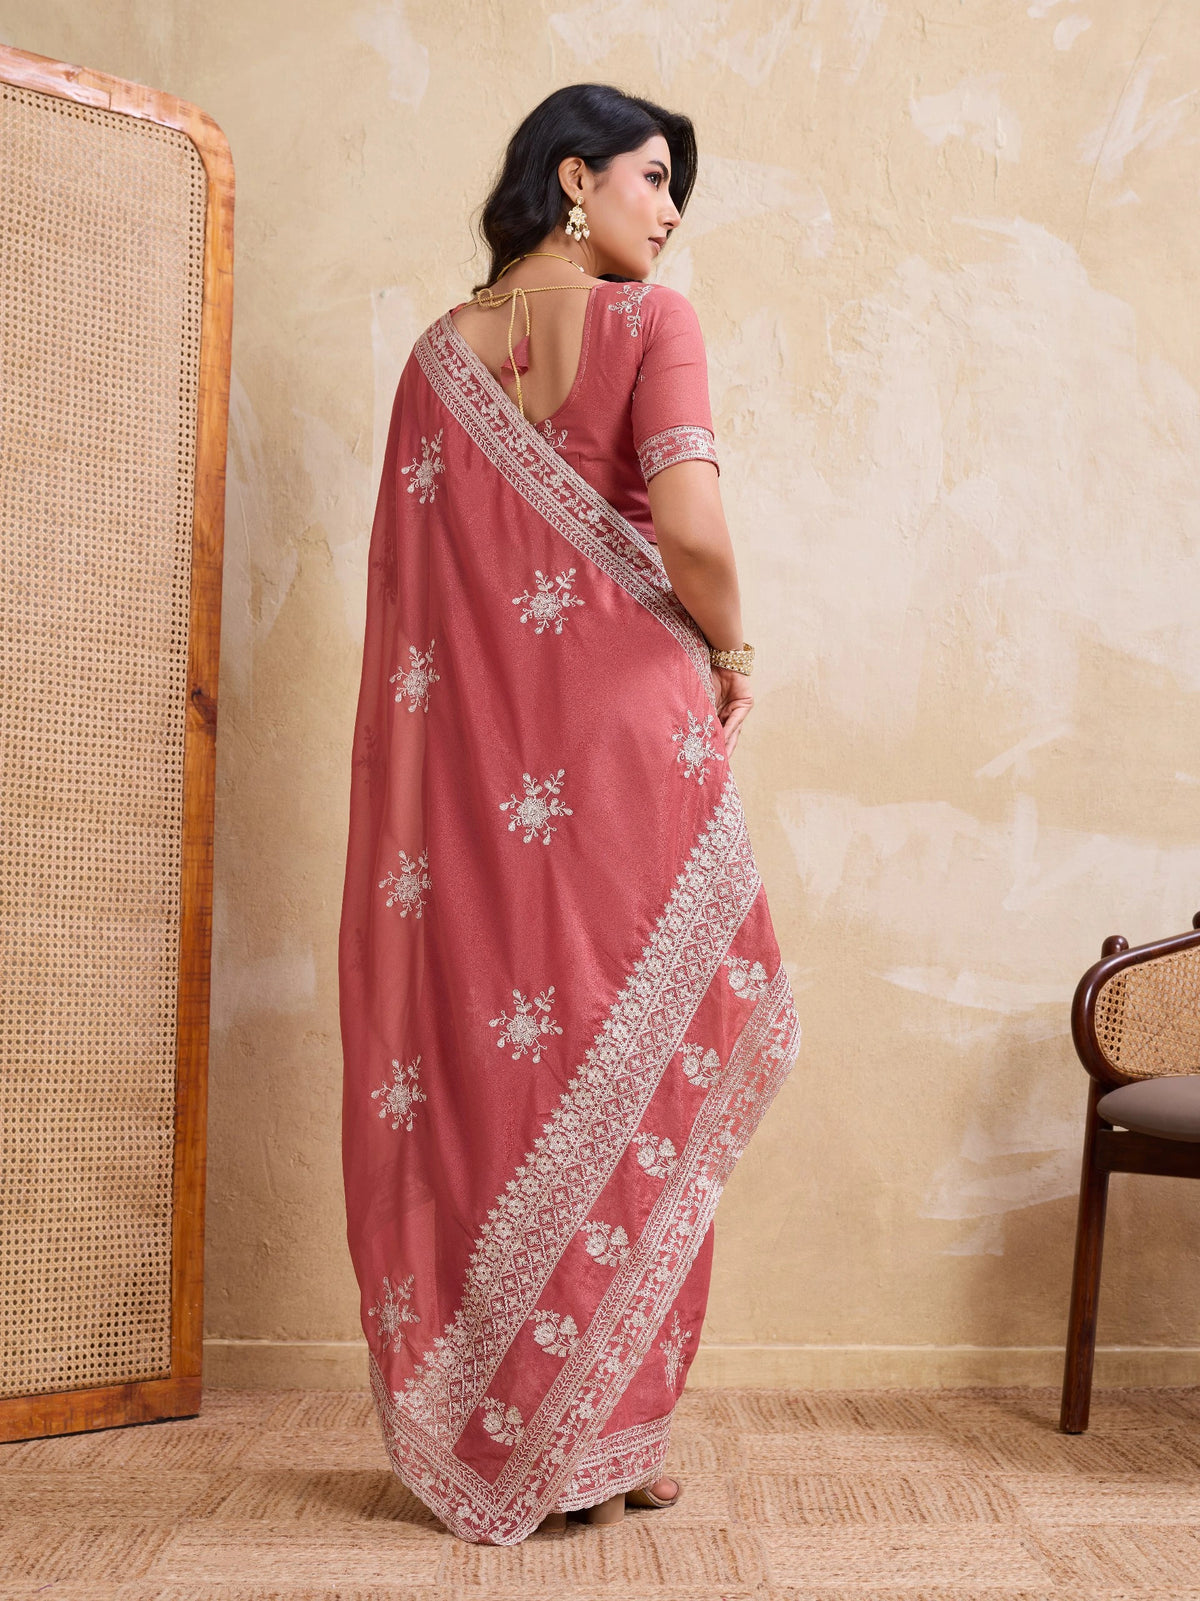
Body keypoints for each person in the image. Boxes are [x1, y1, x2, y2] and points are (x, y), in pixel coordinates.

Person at [338, 82, 800, 1546]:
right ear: (572, 176)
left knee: (497, 1063)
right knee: (648, 1061)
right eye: (656, 179)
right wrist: (731, 648)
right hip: (626, 761)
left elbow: (423, 615)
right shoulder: (651, 327)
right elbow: (694, 527)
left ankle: (531, 1426)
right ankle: (605, 1436)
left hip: (470, 787)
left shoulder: (431, 361)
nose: (669, 212)